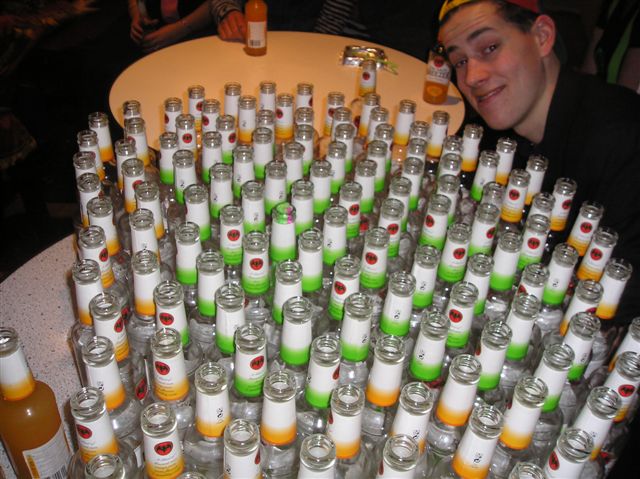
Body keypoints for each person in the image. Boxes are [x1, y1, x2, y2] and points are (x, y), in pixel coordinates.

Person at [437, 0, 640, 325]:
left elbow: (621, 311)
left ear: (542, 36)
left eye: (489, 47)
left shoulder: (623, 138)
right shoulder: (490, 139)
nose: (472, 76)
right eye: (460, 61)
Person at [128, 0, 215, 53]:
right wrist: (136, 14)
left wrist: (179, 29)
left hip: (201, 38)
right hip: (157, 43)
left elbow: (217, 3)